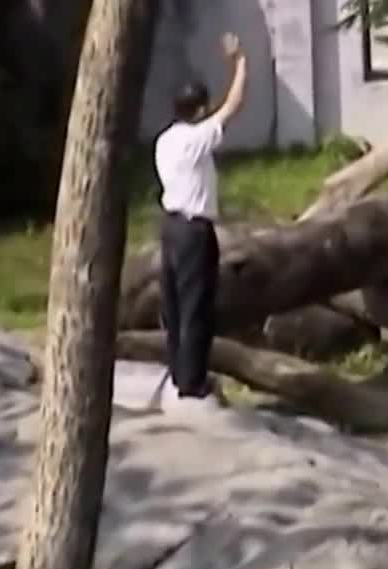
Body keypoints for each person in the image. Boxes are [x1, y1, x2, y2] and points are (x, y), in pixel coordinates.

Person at [152, 32, 247, 409]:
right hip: (194, 230)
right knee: (196, 305)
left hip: (170, 226)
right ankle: (193, 382)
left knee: (173, 304)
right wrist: (239, 62)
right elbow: (234, 105)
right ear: (201, 109)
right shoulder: (195, 141)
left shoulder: (165, 140)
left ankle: (179, 371)